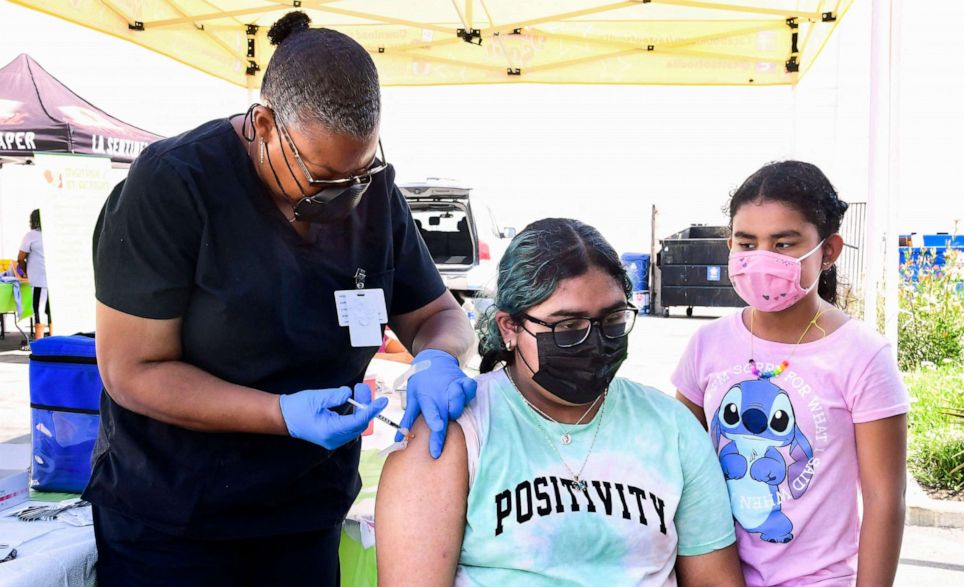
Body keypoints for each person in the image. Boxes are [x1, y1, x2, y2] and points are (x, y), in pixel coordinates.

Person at [86, 11, 476, 586]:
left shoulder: (366, 191)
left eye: (361, 173)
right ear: (264, 124)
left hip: (304, 516)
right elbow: (132, 369)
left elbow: (439, 314)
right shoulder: (173, 185)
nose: (344, 199)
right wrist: (280, 415)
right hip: (176, 523)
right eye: (321, 180)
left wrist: (439, 356)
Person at [376, 218, 744, 586]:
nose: (596, 342)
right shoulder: (452, 431)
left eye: (614, 320)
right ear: (509, 327)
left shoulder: (672, 427)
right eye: (568, 327)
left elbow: (715, 579)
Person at [672, 161, 909, 586]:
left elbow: (884, 499)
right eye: (747, 243)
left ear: (829, 251)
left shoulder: (863, 356)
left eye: (783, 243)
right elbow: (682, 472)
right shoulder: (706, 345)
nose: (761, 258)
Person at [17, 209, 50, 339]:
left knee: (39, 311)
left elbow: (20, 258)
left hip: (39, 280)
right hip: (54, 279)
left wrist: (23, 271)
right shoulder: (54, 233)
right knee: (51, 313)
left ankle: (40, 344)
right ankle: (55, 343)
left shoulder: (31, 235)